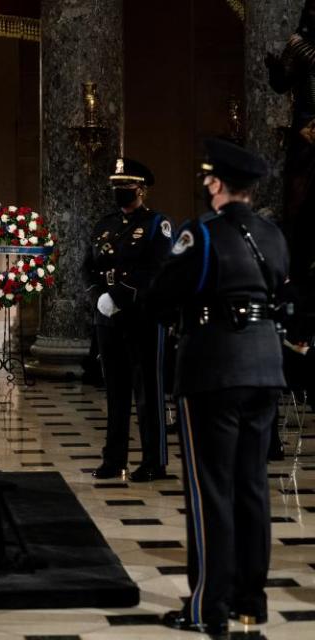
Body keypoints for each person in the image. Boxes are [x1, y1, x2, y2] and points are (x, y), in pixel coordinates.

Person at [150, 139, 288, 637]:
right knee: (252, 487)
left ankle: (208, 606)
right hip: (266, 367)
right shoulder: (273, 234)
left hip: (213, 369)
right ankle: (251, 601)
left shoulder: (201, 234)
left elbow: (164, 293)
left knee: (212, 490)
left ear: (215, 183)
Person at [84, 158, 173, 482]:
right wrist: (98, 298)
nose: (120, 191)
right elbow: (88, 266)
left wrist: (119, 296)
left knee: (148, 392)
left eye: (126, 187)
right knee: (115, 392)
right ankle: (114, 458)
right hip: (108, 319)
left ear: (142, 189)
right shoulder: (104, 224)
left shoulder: (156, 225)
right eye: (116, 186)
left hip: (142, 317)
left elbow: (156, 268)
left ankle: (154, 461)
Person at [267, 0, 315, 290]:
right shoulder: (298, 43)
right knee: (298, 199)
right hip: (306, 128)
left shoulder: (301, 47)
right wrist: (275, 69)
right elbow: (282, 82)